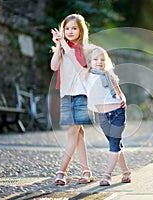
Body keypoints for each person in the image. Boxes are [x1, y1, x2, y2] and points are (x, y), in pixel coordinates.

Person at [54, 37, 131, 186]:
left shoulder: (109, 76)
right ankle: (126, 172)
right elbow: (70, 54)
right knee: (115, 143)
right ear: (89, 62)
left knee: (114, 144)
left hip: (118, 113)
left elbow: (119, 92)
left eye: (102, 59)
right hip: (103, 115)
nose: (99, 62)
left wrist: (123, 100)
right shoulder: (85, 75)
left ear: (106, 61)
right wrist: (61, 41)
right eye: (95, 59)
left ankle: (107, 176)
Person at [50, 14, 94, 185]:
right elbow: (54, 66)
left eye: (74, 28)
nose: (70, 31)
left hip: (81, 95)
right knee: (78, 134)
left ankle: (61, 172)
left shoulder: (83, 49)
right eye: (67, 28)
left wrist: (62, 45)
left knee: (72, 132)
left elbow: (77, 63)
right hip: (66, 94)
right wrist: (57, 45)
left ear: (81, 31)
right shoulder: (62, 48)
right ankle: (86, 171)